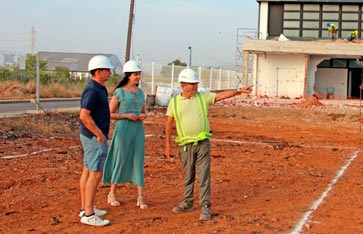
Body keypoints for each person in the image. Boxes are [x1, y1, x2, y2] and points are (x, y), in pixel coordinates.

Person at [164, 68, 253, 221]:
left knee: (204, 175)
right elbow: (168, 124)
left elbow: (220, 96)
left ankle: (205, 207)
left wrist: (239, 91)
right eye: (192, 84)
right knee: (188, 175)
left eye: (196, 84)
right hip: (185, 146)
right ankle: (187, 202)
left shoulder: (202, 97)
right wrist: (167, 145)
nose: (195, 87)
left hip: (202, 143)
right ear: (183, 85)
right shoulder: (175, 102)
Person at [102, 60, 148, 209]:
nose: (138, 77)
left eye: (139, 74)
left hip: (137, 130)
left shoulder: (141, 93)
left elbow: (144, 112)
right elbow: (109, 113)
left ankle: (141, 197)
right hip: (123, 129)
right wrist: (126, 116)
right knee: (120, 158)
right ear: (128, 75)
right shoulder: (119, 92)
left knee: (138, 160)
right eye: (136, 74)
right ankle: (112, 193)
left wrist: (143, 116)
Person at [78, 55, 114, 227]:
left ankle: (86, 206)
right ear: (98, 71)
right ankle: (88, 214)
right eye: (107, 69)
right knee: (95, 173)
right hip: (93, 137)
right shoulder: (93, 89)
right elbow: (84, 115)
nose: (110, 72)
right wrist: (99, 134)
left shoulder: (100, 88)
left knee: (87, 170)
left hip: (91, 136)